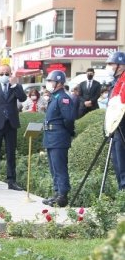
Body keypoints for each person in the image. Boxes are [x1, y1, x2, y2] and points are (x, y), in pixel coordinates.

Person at [42, 70, 76, 207]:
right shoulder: (54, 97)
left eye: (51, 81)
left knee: (59, 167)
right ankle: (57, 193)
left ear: (59, 83)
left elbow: (68, 119)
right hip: (51, 138)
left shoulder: (63, 98)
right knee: (53, 168)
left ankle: (62, 195)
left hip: (58, 137)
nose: (49, 84)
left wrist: (67, 133)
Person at [105, 51, 125, 190]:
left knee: (123, 166)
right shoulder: (114, 83)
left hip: (122, 128)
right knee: (117, 165)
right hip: (114, 129)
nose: (109, 67)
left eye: (112, 64)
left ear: (121, 66)